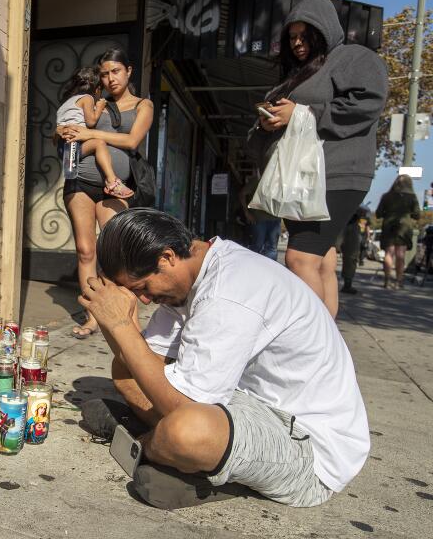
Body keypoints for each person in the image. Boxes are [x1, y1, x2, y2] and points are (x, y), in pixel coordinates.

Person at [79, 209, 369, 509]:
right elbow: (142, 363)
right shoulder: (188, 278)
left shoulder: (229, 290)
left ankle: (157, 449)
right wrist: (112, 317)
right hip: (248, 404)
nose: (145, 300)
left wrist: (122, 326)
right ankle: (173, 454)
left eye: (142, 289)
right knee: (127, 371)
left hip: (308, 450)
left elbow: (185, 409)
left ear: (166, 258)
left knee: (186, 432)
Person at [247, 0, 388, 318]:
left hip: (336, 176)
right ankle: (328, 352)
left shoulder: (353, 58)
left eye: (304, 35)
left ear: (323, 30)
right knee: (321, 260)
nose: (297, 43)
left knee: (300, 259)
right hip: (300, 182)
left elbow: (368, 103)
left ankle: (312, 347)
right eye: (292, 36)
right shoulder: (298, 74)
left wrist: (301, 113)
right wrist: (267, 124)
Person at [57, 48, 154, 339]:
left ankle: (129, 320)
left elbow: (132, 140)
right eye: (104, 73)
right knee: (86, 251)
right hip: (80, 183)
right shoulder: (95, 103)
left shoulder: (143, 105)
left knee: (119, 255)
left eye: (116, 71)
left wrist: (92, 135)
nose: (110, 78)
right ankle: (93, 317)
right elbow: (67, 130)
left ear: (129, 71)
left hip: (114, 188)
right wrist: (63, 131)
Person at [56, 67, 134, 198]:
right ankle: (112, 181)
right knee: (99, 143)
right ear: (97, 89)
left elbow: (58, 129)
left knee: (71, 173)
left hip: (64, 147)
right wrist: (99, 108)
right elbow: (91, 121)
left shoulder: (65, 103)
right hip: (75, 145)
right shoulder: (87, 98)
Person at [376, 174, 421, 288]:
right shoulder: (412, 197)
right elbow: (417, 215)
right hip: (404, 228)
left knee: (388, 254)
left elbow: (378, 213)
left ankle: (387, 280)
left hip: (388, 227)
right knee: (400, 255)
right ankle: (398, 281)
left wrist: (389, 213)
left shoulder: (386, 196)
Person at [238, 167, 281, 260]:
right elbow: (242, 194)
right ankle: (253, 268)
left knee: (272, 248)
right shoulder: (257, 180)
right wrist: (247, 213)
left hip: (275, 220)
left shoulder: (279, 182)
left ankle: (269, 271)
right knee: (257, 246)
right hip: (259, 220)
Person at [338, 209, 364, 294]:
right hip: (340, 221)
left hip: (347, 222)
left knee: (351, 257)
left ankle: (347, 284)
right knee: (351, 256)